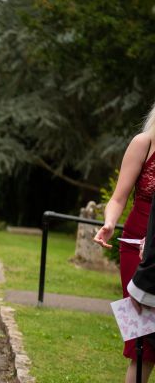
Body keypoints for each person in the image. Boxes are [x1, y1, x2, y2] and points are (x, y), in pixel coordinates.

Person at [94, 100, 155, 383]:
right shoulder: (144, 142)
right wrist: (109, 223)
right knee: (141, 346)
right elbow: (118, 198)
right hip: (138, 251)